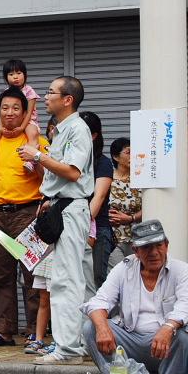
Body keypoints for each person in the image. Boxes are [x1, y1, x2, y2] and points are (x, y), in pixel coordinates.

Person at [18, 76, 95, 365]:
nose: (45, 97)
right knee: (76, 280)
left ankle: (68, 350)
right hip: (63, 207)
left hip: (71, 209)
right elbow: (60, 175)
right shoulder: (63, 129)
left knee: (65, 280)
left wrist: (37, 155)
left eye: (51, 92)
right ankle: (80, 344)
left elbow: (73, 172)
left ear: (67, 100)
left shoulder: (76, 129)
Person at [0, 87, 47, 346]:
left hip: (29, 213)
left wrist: (35, 161)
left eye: (16, 108)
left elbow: (51, 179)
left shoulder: (37, 141)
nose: (10, 113)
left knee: (32, 274)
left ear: (26, 113)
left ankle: (34, 330)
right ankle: (4, 330)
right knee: (0, 275)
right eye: (5, 108)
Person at [82, 220, 188, 374]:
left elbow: (185, 305)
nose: (154, 252)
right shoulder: (124, 268)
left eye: (158, 245)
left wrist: (168, 327)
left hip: (166, 344)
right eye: (146, 247)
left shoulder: (182, 270)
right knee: (91, 328)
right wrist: (102, 328)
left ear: (166, 245)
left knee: (183, 335)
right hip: (131, 341)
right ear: (136, 250)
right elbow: (99, 301)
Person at [0, 59, 41, 176]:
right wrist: (1, 128)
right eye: (11, 74)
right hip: (8, 123)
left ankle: (30, 161)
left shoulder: (29, 91)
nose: (15, 77)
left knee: (33, 134)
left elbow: (29, 113)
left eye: (19, 73)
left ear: (25, 75)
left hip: (28, 121)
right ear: (6, 78)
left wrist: (21, 128)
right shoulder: (5, 92)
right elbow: (1, 113)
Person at [80, 111, 114, 289]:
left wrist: (81, 224)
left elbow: (98, 197)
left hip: (96, 228)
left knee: (96, 280)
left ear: (94, 136)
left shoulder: (103, 163)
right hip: (73, 226)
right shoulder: (71, 159)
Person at [107, 137, 142, 270]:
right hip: (113, 240)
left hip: (137, 240)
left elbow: (150, 205)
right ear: (116, 157)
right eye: (128, 152)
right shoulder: (107, 179)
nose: (132, 156)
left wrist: (131, 218)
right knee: (120, 274)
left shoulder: (139, 179)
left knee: (136, 276)